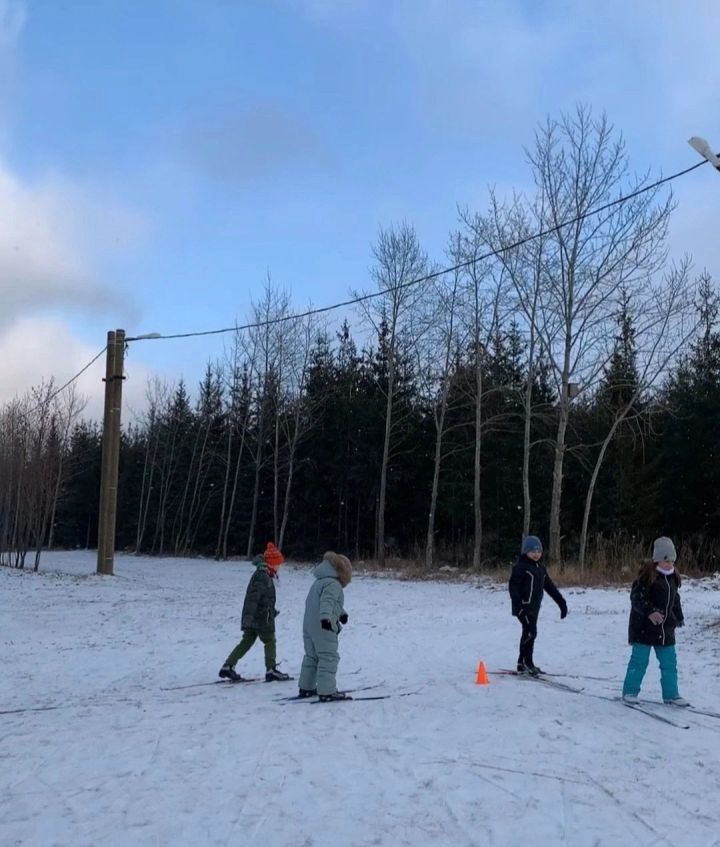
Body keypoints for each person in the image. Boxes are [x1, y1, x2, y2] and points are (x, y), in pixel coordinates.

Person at [622, 536, 688, 706]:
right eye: (666, 560)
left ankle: (671, 695)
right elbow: (637, 598)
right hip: (644, 628)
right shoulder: (646, 577)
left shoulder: (673, 578)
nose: (669, 564)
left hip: (665, 629)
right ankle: (630, 692)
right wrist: (650, 611)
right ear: (657, 559)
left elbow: (675, 599)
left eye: (672, 560)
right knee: (639, 661)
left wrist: (678, 617)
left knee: (669, 663)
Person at [218, 543, 291, 683]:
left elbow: (264, 599)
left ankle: (228, 665)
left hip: (259, 616)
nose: (279, 567)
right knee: (270, 640)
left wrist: (272, 610)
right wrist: (250, 617)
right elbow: (253, 598)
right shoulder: (262, 576)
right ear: (271, 563)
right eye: (278, 564)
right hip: (261, 618)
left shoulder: (264, 575)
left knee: (247, 641)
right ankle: (271, 670)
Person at [508, 535, 568, 676]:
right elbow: (513, 588)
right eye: (532, 551)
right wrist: (519, 608)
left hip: (534, 609)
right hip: (523, 607)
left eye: (538, 551)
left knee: (529, 634)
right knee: (530, 633)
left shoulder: (540, 569)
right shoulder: (521, 567)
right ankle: (526, 663)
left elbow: (550, 587)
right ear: (526, 552)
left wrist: (561, 603)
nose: (536, 554)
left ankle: (523, 663)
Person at [297, 551, 352, 701]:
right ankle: (327, 691)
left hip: (309, 626)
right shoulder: (333, 584)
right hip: (324, 627)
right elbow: (327, 603)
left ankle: (306, 687)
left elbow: (324, 603)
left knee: (312, 657)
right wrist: (326, 619)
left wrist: (342, 614)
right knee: (328, 657)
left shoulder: (319, 582)